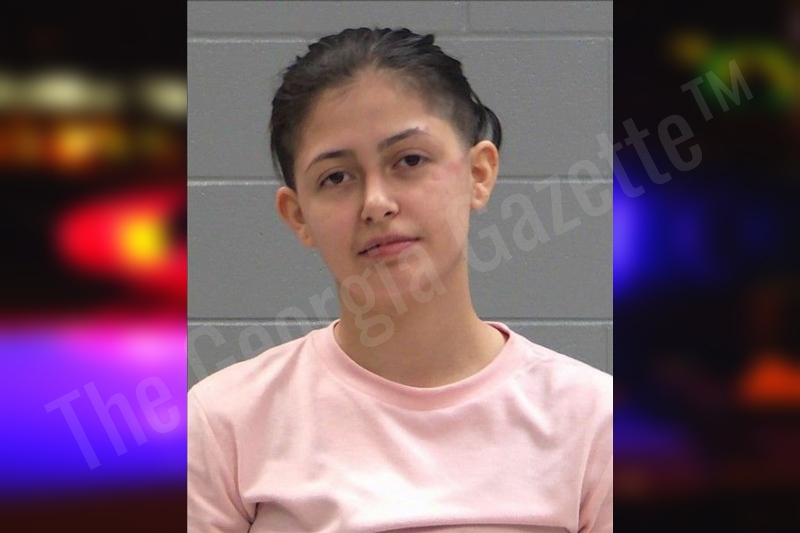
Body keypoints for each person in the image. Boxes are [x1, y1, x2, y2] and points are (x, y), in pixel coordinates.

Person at [188, 27, 612, 532]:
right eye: (336, 177)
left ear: (478, 174)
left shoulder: (595, 422)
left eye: (410, 160)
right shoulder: (225, 423)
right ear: (298, 215)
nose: (376, 203)